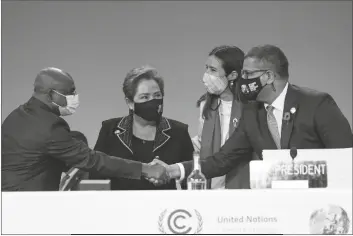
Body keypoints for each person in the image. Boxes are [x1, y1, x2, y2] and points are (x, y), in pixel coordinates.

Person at [151, 44, 353, 185]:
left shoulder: (316, 104)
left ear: (268, 76)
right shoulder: (252, 112)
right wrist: (172, 170)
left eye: (248, 74)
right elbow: (223, 159)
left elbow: (346, 158)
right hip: (276, 208)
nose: (242, 79)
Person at [1, 67, 168, 191]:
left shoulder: (17, 116)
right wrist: (146, 169)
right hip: (27, 210)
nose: (74, 97)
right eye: (69, 92)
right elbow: (92, 160)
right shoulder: (49, 126)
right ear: (51, 95)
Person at [89, 65, 194, 190]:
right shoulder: (110, 129)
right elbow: (96, 175)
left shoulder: (178, 131)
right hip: (120, 205)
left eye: (157, 95)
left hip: (164, 206)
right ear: (130, 103)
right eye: (145, 97)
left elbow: (191, 174)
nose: (153, 101)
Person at [192, 45, 251, 189]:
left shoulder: (251, 107)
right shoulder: (205, 105)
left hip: (243, 188)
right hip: (213, 186)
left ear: (232, 75)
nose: (206, 75)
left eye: (212, 70)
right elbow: (200, 144)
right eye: (206, 68)